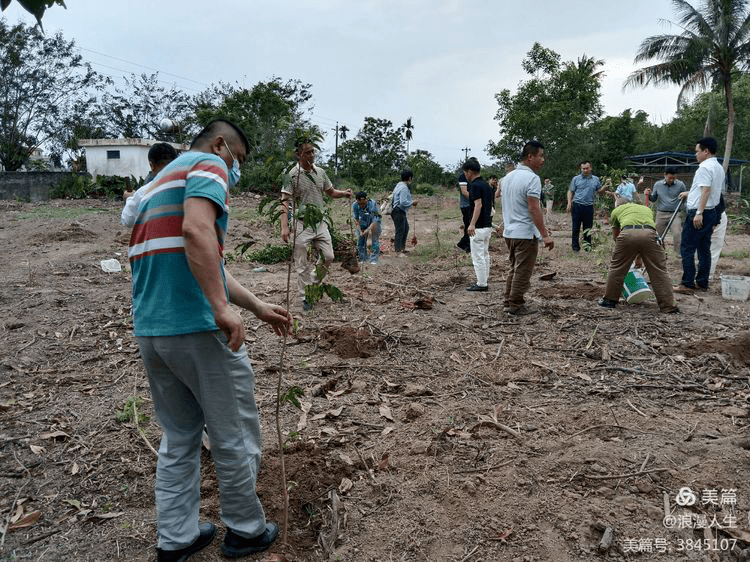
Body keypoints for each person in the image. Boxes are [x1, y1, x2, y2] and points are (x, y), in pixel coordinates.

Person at [128, 119, 293, 561]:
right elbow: (196, 232)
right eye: (236, 158)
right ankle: (245, 530)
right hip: (196, 327)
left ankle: (176, 538)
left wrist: (256, 305)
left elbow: (207, 261)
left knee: (179, 435)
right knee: (233, 431)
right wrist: (221, 309)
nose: (234, 169)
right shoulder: (206, 163)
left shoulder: (158, 182)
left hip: (152, 330)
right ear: (221, 145)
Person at [280, 138, 352, 311]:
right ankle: (307, 297)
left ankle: (313, 283)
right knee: (301, 263)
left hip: (320, 223)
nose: (312, 155)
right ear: (299, 155)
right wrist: (284, 226)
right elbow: (284, 201)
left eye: (313, 151)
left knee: (329, 256)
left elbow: (330, 191)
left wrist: (344, 193)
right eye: (307, 152)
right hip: (301, 224)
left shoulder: (320, 172)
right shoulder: (291, 175)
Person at [597, 196, 679, 313]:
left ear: (618, 205)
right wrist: (638, 258)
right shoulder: (646, 209)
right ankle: (668, 306)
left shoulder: (616, 211)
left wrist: (624, 255)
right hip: (650, 234)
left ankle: (609, 300)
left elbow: (616, 236)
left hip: (627, 234)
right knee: (659, 270)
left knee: (617, 268)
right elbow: (644, 236)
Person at [499, 141, 554, 315]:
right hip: (524, 233)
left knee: (514, 267)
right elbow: (533, 207)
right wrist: (545, 235)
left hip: (510, 232)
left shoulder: (507, 178)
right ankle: (516, 304)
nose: (543, 160)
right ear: (530, 157)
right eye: (540, 156)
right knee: (522, 271)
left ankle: (508, 301)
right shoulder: (532, 178)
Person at [674, 137, 725, 294]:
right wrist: (690, 193)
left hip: (701, 213)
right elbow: (708, 190)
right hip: (712, 212)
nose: (695, 155)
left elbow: (706, 190)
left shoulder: (704, 168)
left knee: (687, 248)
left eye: (697, 151)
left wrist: (699, 212)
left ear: (706, 151)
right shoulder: (718, 167)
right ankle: (702, 282)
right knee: (704, 248)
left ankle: (687, 283)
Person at [121, 143, 179, 226]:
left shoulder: (143, 192)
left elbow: (127, 221)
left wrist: (129, 199)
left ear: (151, 165)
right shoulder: (188, 186)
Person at [463, 158, 493, 292]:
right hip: (487, 225)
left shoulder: (474, 186)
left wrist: (472, 224)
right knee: (485, 254)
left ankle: (481, 283)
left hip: (479, 227)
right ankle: (484, 279)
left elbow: (478, 205)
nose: (465, 175)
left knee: (478, 257)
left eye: (465, 172)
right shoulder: (487, 185)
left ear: (469, 172)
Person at [643, 168, 687, 254]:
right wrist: (648, 194)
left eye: (673, 178)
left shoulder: (681, 185)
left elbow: (685, 200)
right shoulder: (658, 184)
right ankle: (661, 254)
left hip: (675, 214)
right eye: (669, 178)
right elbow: (653, 199)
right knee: (657, 236)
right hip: (661, 214)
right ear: (665, 175)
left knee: (677, 234)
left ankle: (678, 255)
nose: (671, 180)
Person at [566, 161, 607, 252]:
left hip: (589, 206)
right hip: (577, 205)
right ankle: (575, 248)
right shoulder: (576, 179)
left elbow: (600, 192)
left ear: (590, 168)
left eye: (587, 168)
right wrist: (569, 202)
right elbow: (570, 191)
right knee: (575, 227)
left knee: (588, 228)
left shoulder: (596, 179)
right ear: (581, 169)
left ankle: (587, 247)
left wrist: (605, 187)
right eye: (583, 168)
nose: (585, 170)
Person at [352, 190, 381, 264]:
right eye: (360, 204)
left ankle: (374, 260)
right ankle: (363, 259)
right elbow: (356, 219)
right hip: (362, 223)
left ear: (366, 200)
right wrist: (360, 230)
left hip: (374, 223)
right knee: (360, 241)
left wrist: (368, 230)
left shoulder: (372, 204)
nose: (362, 205)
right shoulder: (355, 205)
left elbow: (375, 220)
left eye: (363, 203)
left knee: (374, 240)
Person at [391, 169, 414, 255]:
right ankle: (398, 250)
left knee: (405, 229)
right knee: (400, 230)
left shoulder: (399, 185)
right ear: (409, 178)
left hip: (397, 210)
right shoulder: (404, 187)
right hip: (399, 210)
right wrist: (412, 202)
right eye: (411, 177)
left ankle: (401, 248)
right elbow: (403, 202)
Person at [456, 171, 471, 253]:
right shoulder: (463, 176)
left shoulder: (472, 177)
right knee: (469, 226)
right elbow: (464, 192)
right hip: (466, 206)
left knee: (469, 226)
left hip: (470, 205)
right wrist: (477, 198)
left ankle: (463, 245)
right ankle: (464, 246)